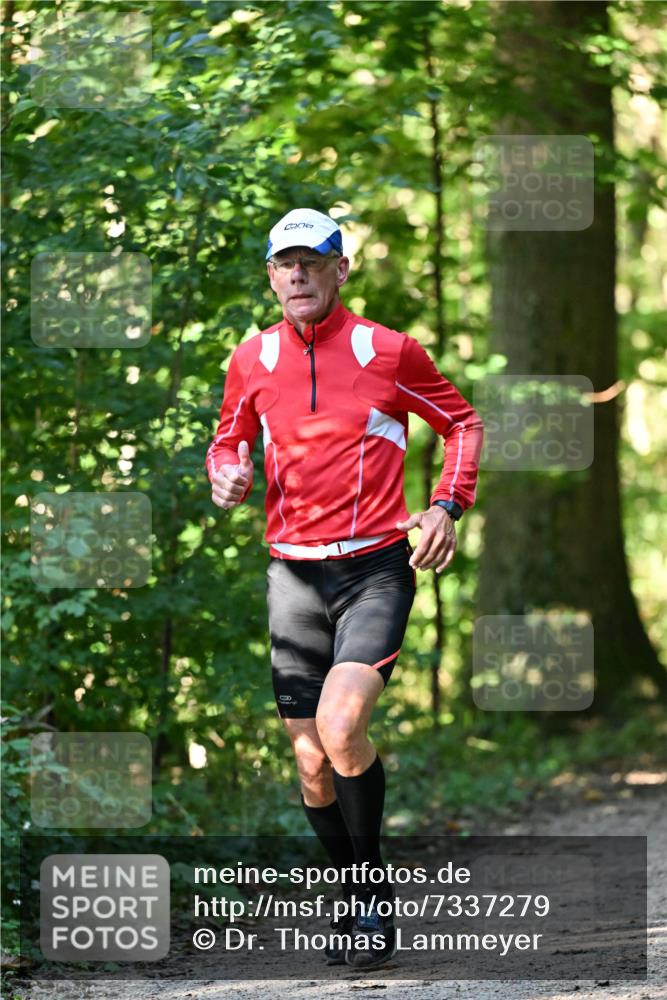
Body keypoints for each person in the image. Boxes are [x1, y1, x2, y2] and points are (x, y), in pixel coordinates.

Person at [206, 208, 483, 971]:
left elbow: (460, 424)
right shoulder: (251, 357)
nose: (296, 274)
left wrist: (444, 505)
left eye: (310, 261)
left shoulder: (387, 351)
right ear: (270, 275)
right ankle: (354, 893)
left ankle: (370, 898)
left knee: (340, 723)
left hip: (373, 567)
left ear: (340, 269)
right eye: (282, 263)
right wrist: (224, 474)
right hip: (291, 573)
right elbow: (229, 440)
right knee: (308, 760)